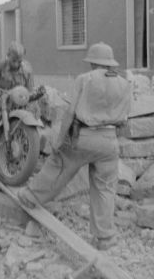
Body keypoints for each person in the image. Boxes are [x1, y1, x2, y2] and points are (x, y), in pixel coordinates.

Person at [16, 42, 131, 250]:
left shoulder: (84, 79)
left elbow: (70, 113)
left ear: (93, 62)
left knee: (58, 165)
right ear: (109, 63)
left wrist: (59, 140)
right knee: (105, 189)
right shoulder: (124, 83)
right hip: (109, 140)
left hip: (83, 136)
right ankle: (105, 238)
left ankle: (30, 197)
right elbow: (125, 118)